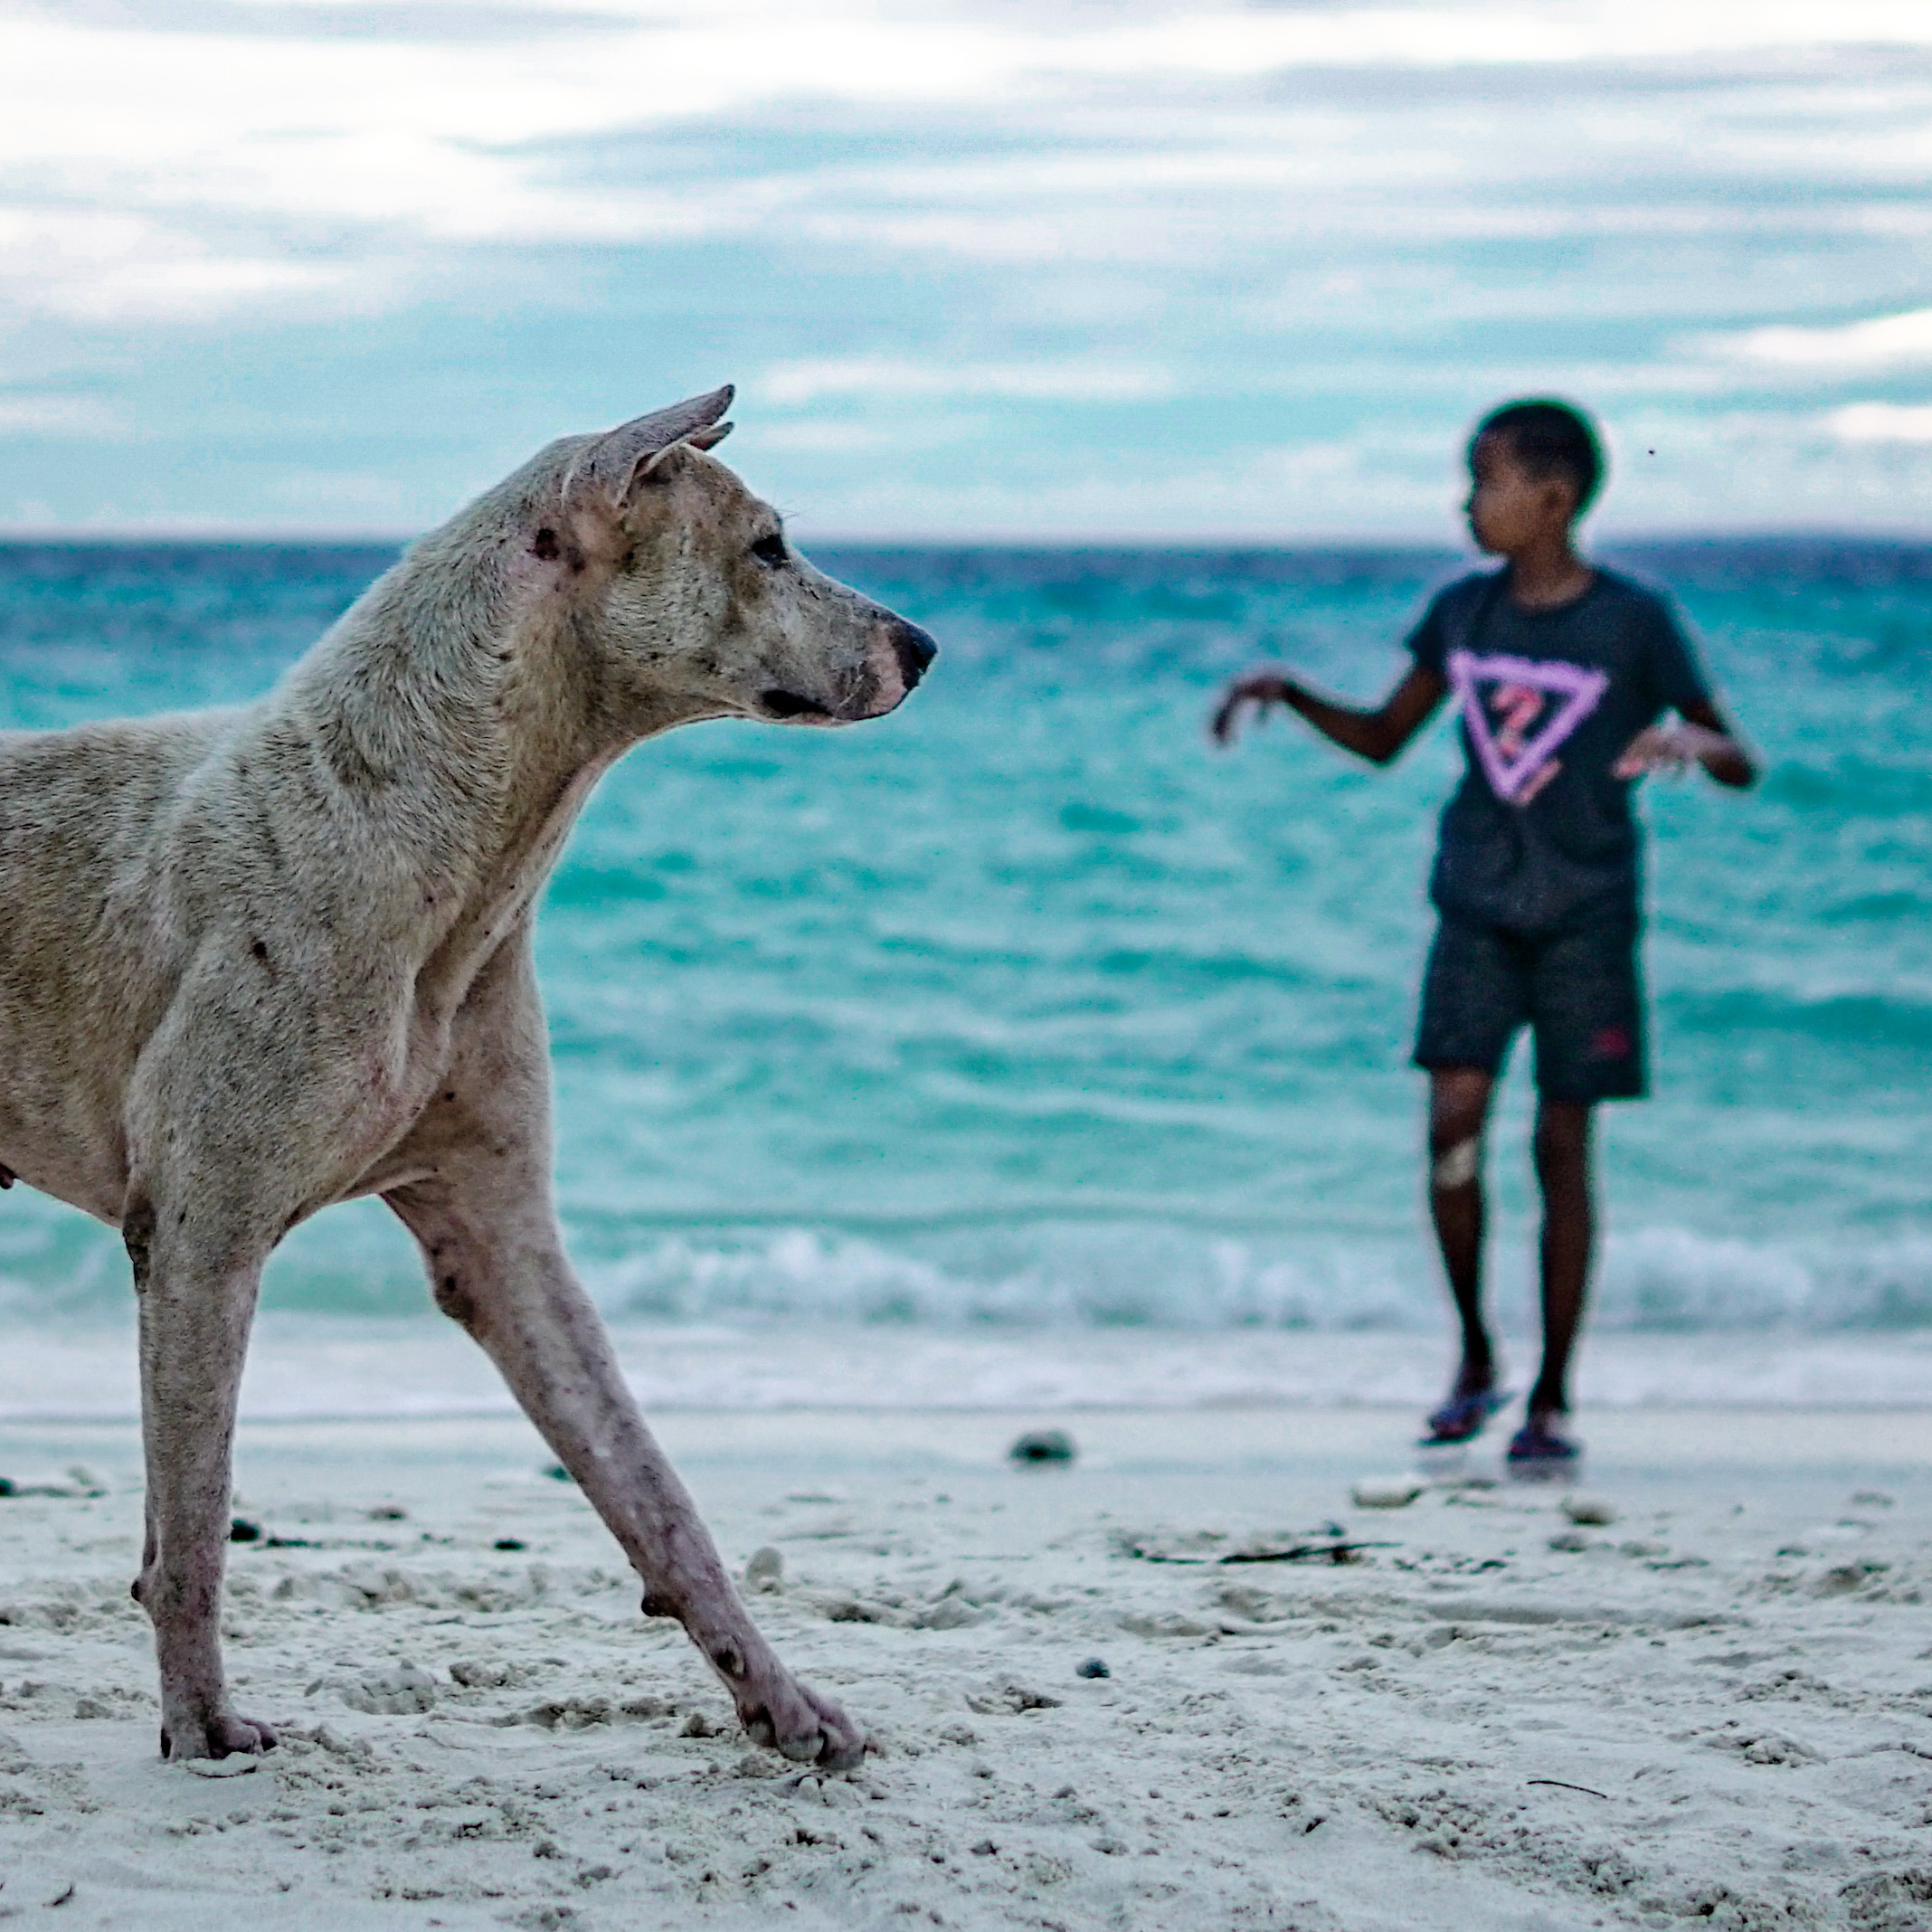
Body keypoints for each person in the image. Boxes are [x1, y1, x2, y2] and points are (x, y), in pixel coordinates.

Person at [1211, 399, 1756, 1466]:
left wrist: (1697, 743)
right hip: (1473, 910)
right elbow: (1384, 737)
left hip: (1587, 918)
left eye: (1484, 482)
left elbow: (1739, 760)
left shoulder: (1632, 622)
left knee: (1562, 1146)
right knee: (1452, 1129)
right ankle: (1473, 1359)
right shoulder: (1462, 612)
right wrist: (1294, 693)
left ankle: (1552, 1397)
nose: (1466, 504)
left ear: (1551, 499)